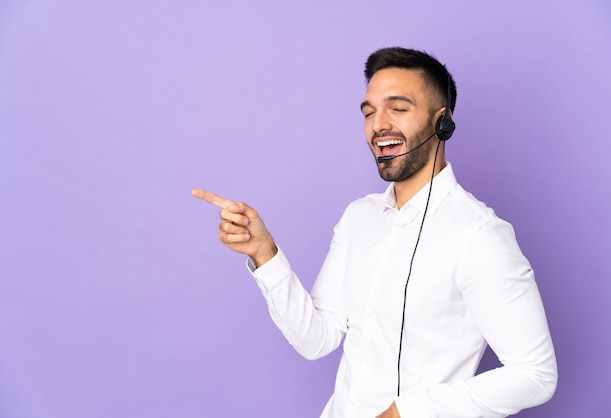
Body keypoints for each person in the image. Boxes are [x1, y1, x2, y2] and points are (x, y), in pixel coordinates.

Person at [192, 47, 557, 418]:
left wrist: (406, 413)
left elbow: (536, 374)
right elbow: (317, 338)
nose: (378, 124)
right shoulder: (359, 217)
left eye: (397, 108)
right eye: (369, 112)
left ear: (441, 122)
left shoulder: (480, 235)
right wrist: (264, 253)